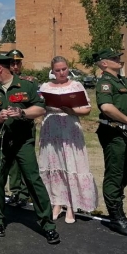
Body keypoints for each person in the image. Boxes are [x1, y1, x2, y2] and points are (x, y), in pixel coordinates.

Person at [0, 53, 59, 244]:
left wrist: (22, 112)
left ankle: (47, 224)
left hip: (23, 141)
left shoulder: (27, 85)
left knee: (33, 180)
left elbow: (40, 108)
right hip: (0, 141)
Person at [38, 56, 98, 223]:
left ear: (68, 68)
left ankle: (71, 204)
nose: (61, 73)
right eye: (57, 70)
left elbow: (87, 108)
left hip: (70, 128)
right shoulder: (45, 86)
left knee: (70, 164)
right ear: (53, 71)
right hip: (51, 128)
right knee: (54, 165)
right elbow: (38, 106)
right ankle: (56, 201)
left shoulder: (76, 85)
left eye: (64, 69)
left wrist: (72, 110)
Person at [93, 48, 127, 238]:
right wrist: (126, 120)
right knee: (115, 173)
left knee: (124, 173)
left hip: (126, 132)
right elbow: (106, 107)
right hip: (113, 132)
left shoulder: (123, 81)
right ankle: (115, 218)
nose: (119, 60)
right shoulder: (105, 82)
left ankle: (121, 214)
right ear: (104, 63)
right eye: (114, 58)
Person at [3, 49, 32, 208]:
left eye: (17, 62)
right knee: (12, 162)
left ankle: (25, 193)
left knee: (25, 162)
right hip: (8, 128)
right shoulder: (1, 83)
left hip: (24, 127)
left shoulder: (29, 82)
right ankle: (15, 191)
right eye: (11, 63)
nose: (15, 65)